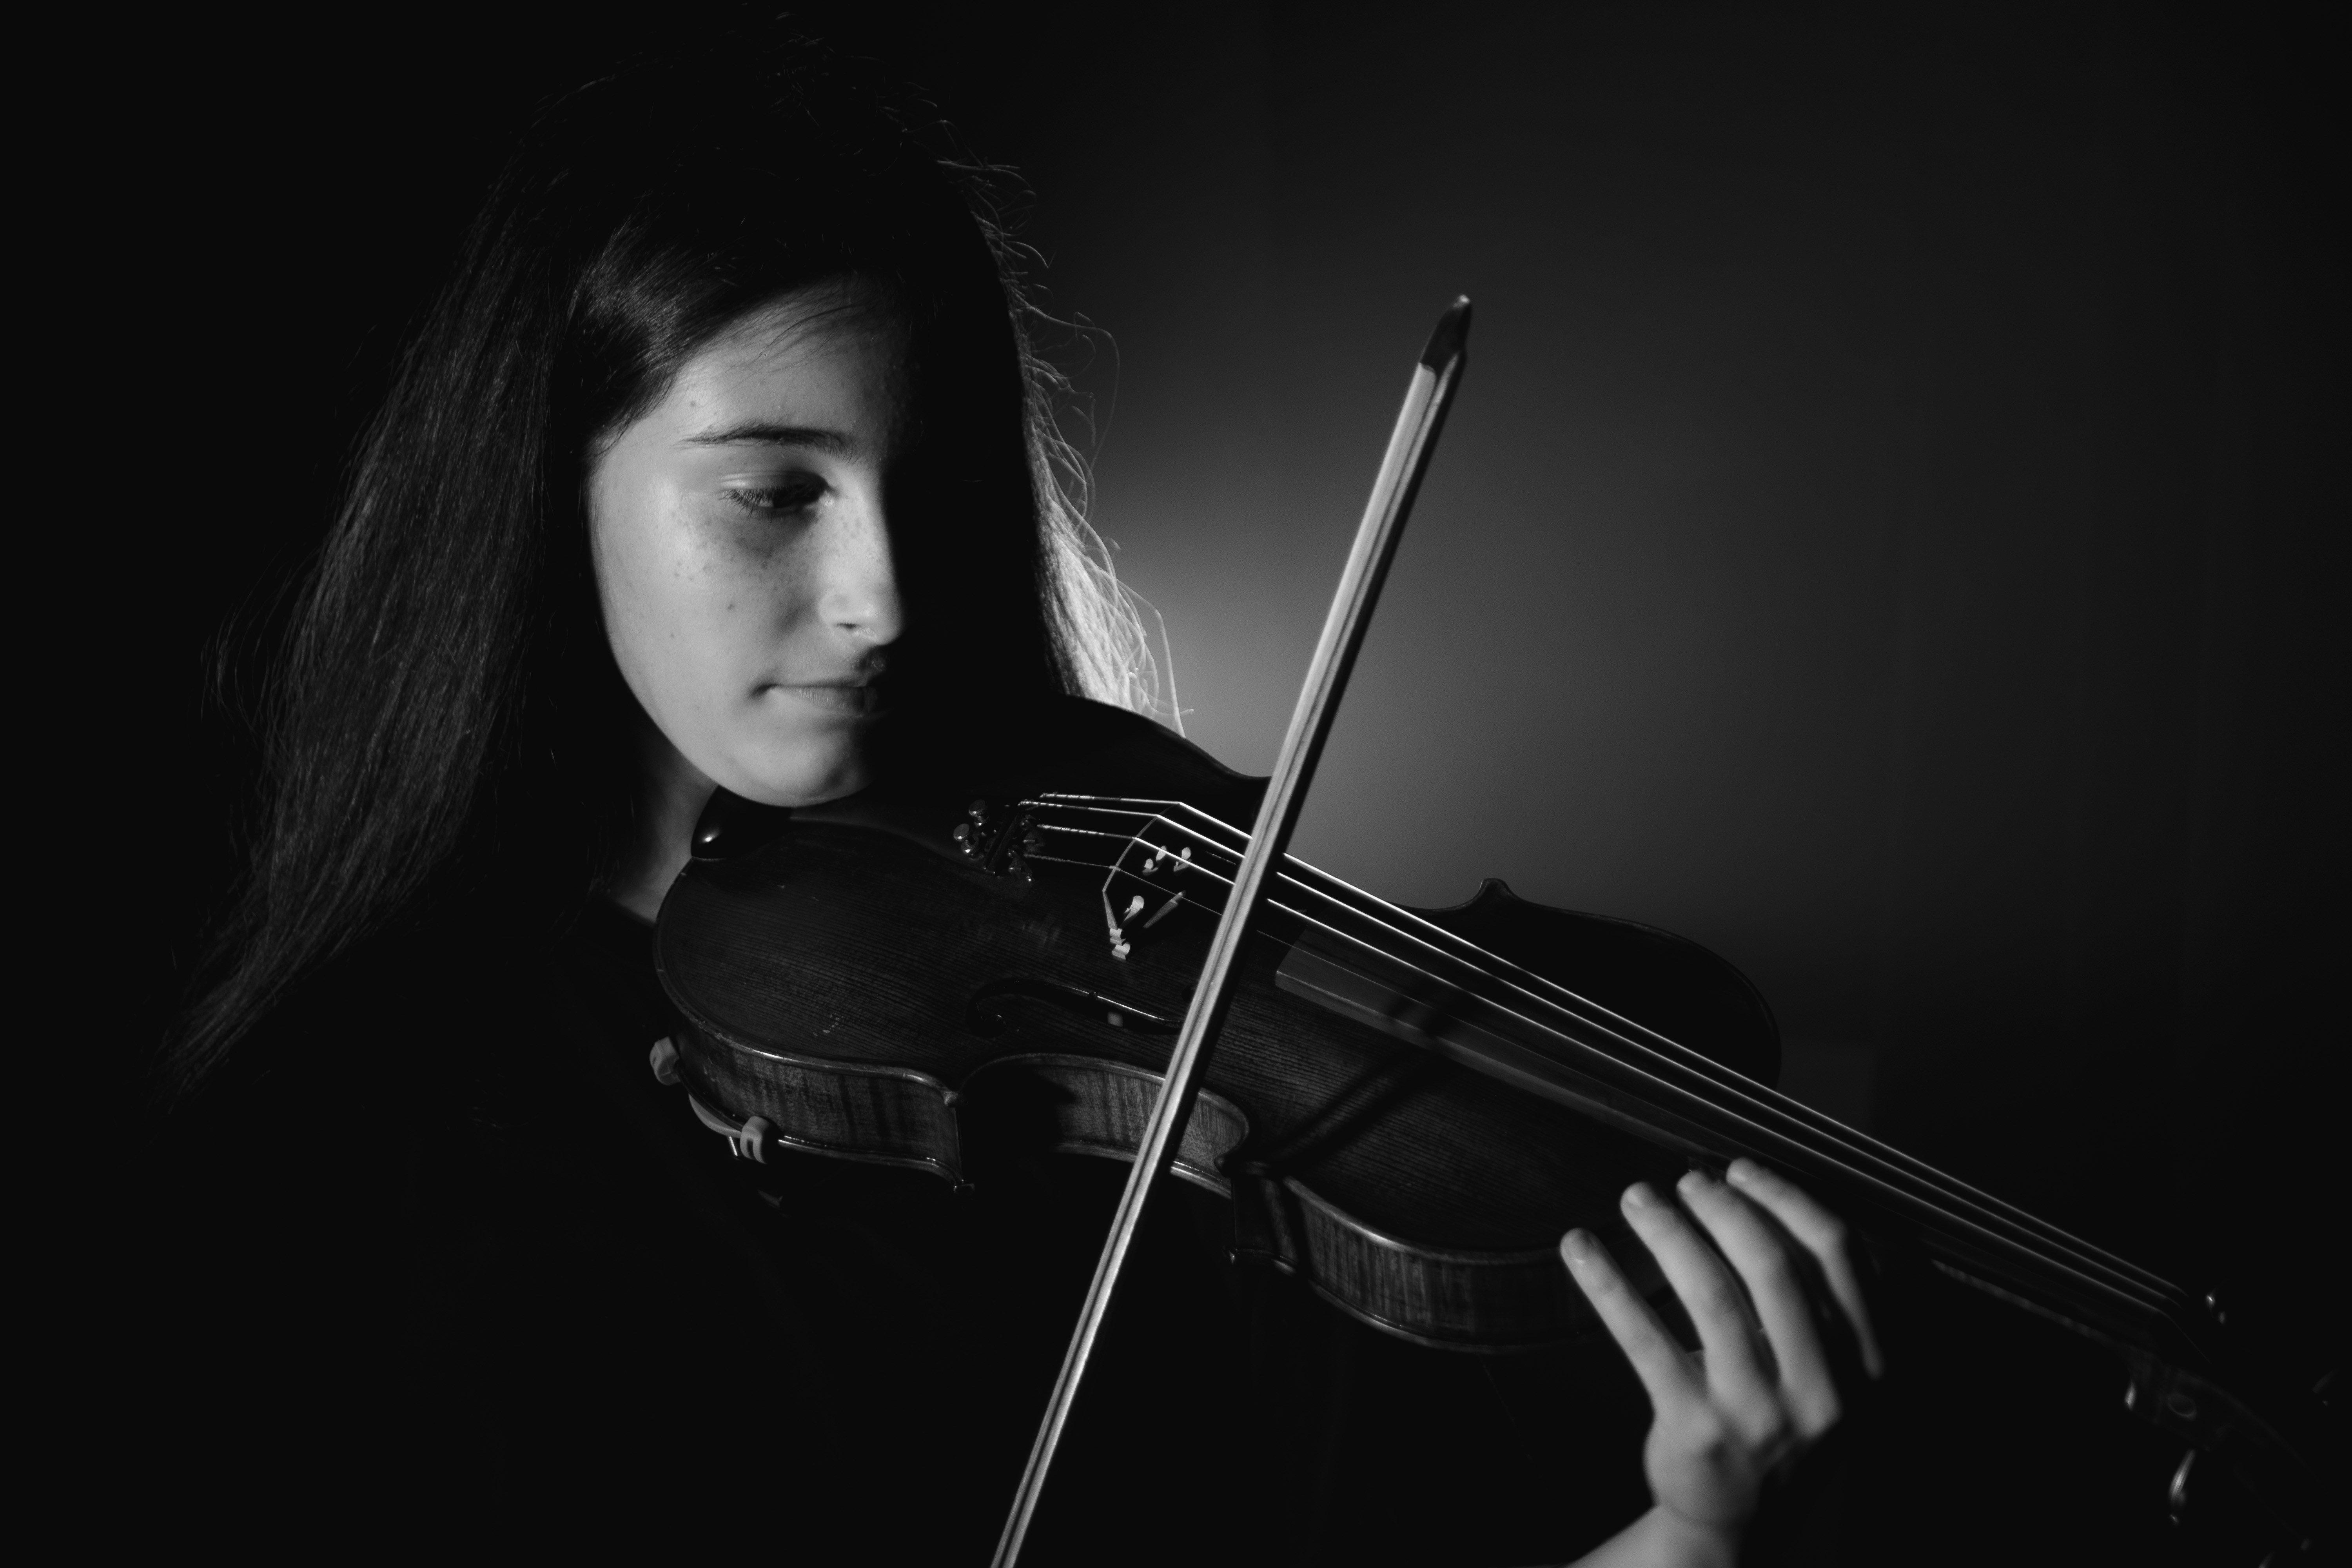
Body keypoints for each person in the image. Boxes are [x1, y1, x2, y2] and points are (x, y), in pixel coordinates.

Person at [140, 36, 1877, 1566]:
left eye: (927, 478)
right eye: (772, 493)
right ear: (550, 482)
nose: (884, 594)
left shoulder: (1122, 875)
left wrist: (1691, 1535)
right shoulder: (388, 1131)